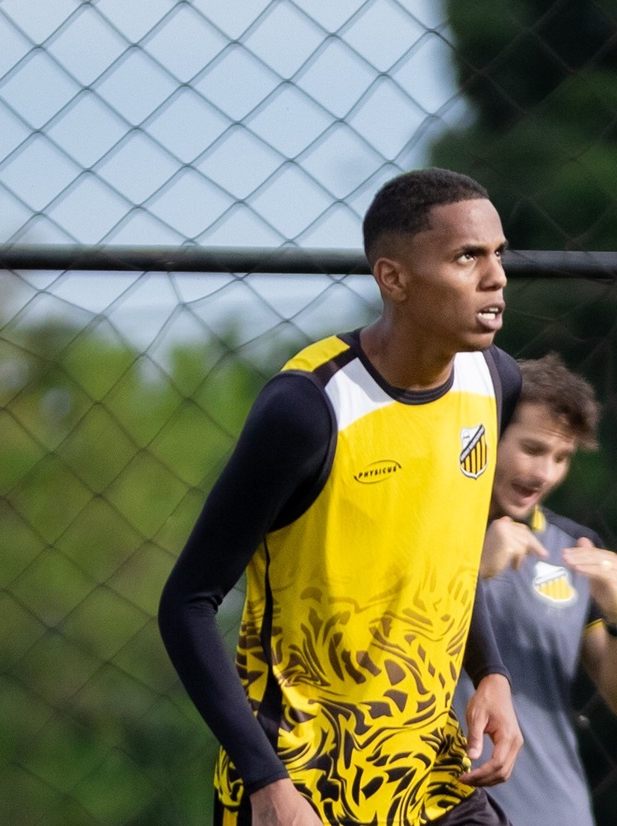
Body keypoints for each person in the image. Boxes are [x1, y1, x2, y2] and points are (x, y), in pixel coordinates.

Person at [158, 168, 525, 826]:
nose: (495, 276)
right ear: (394, 278)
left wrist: (491, 671)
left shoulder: (495, 381)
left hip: (432, 781)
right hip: (303, 792)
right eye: (467, 256)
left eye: (499, 253)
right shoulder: (306, 409)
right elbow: (186, 604)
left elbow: (448, 555)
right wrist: (265, 782)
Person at [452, 353, 617, 826]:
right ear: (486, 433)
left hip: (550, 812)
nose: (545, 473)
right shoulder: (426, 529)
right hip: (426, 801)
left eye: (561, 457)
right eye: (532, 449)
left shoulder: (572, 548)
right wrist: (475, 569)